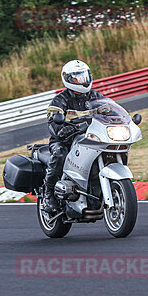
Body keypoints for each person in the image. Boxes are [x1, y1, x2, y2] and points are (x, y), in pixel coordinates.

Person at [42, 60, 105, 212]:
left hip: (90, 139)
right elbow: (53, 123)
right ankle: (48, 194)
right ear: (68, 79)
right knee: (60, 154)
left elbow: (110, 112)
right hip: (65, 141)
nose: (83, 81)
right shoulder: (60, 100)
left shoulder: (96, 96)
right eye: (78, 77)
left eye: (84, 76)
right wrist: (63, 130)